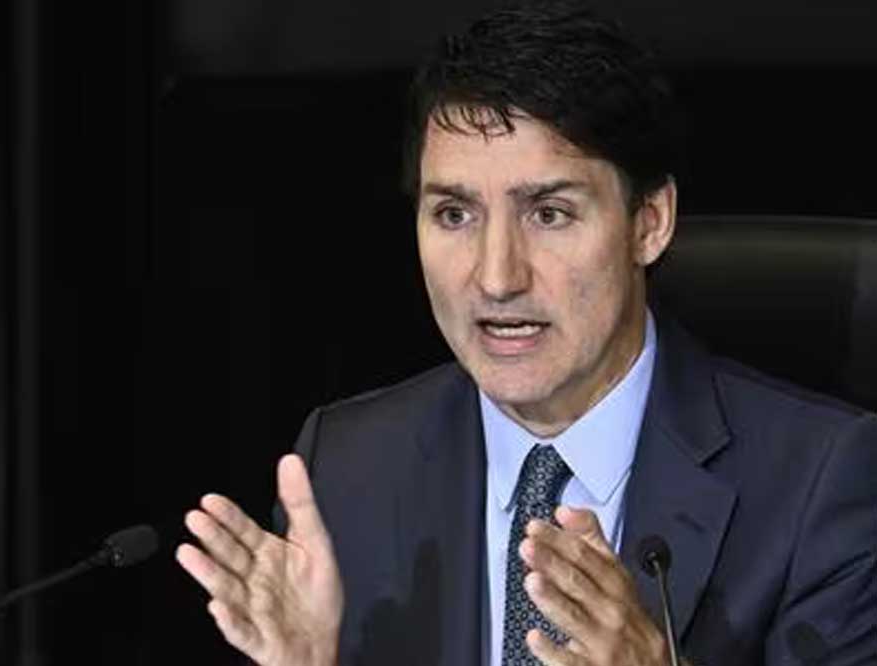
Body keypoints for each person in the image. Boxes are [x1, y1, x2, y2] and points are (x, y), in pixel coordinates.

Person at [175, 2, 877, 665]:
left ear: (650, 222)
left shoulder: (821, 483)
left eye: (548, 214)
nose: (496, 277)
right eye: (454, 215)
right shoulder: (349, 467)